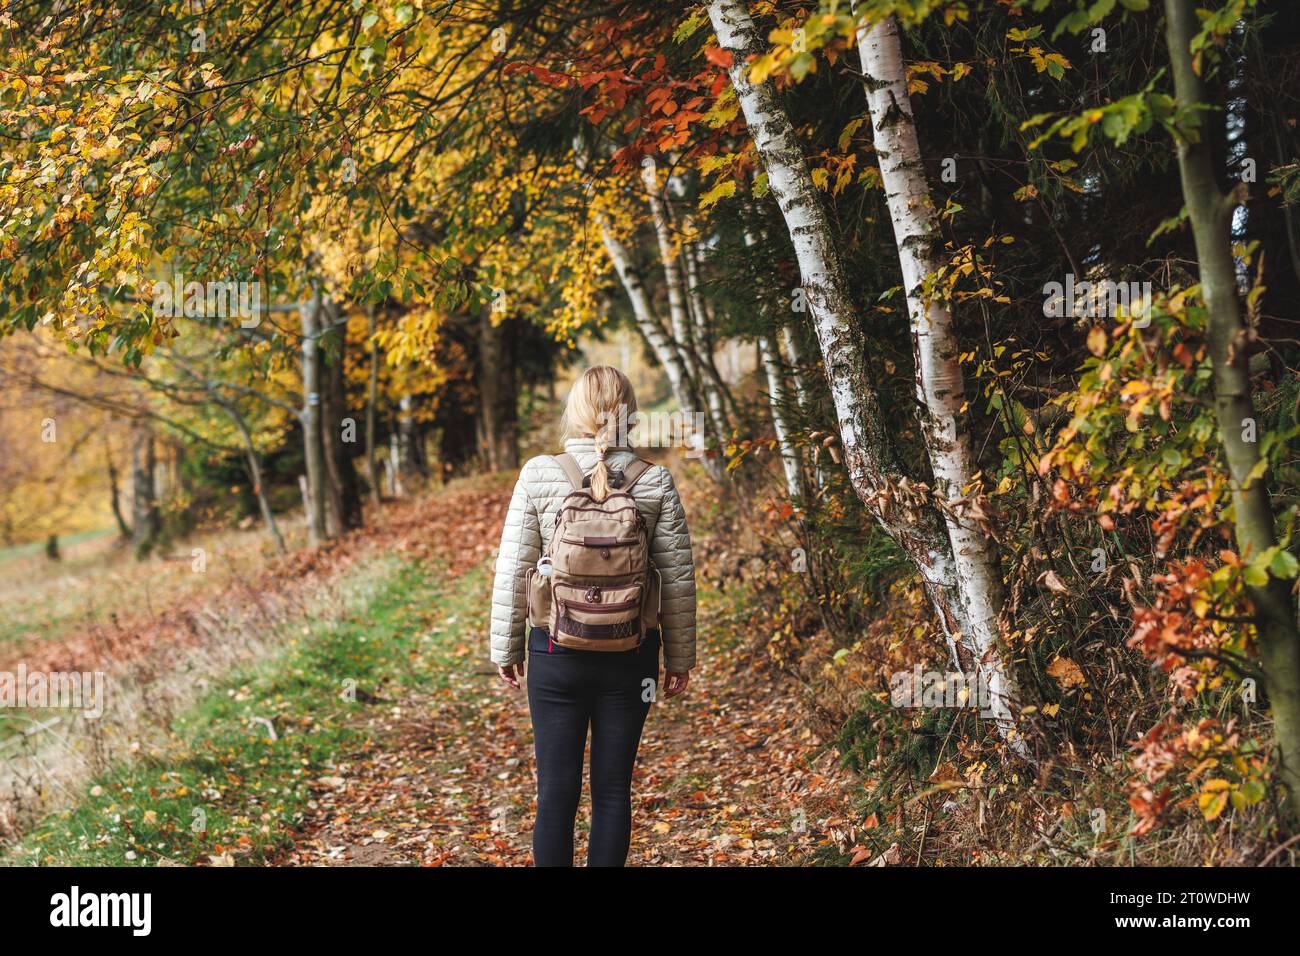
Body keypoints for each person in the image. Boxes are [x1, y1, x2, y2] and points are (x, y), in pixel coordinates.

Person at [489, 365, 697, 866]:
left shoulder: (540, 473)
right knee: (611, 791)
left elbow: (514, 566)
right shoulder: (654, 480)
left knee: (555, 794)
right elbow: (677, 577)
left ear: (576, 409)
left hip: (555, 652)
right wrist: (679, 659)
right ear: (630, 412)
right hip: (630, 655)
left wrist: (507, 648)